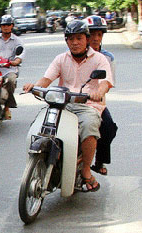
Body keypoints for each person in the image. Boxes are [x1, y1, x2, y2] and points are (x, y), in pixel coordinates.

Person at [22, 20, 114, 192]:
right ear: (66, 41)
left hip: (88, 105)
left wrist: (99, 92)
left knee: (89, 127)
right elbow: (47, 79)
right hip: (63, 103)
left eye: (79, 38)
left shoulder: (100, 59)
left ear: (87, 39)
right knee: (41, 125)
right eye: (71, 39)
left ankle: (86, 170)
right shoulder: (61, 59)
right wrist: (34, 86)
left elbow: (105, 82)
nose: (75, 42)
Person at [84, 15, 117, 176]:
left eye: (99, 35)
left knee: (109, 127)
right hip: (72, 99)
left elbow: (108, 83)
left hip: (95, 101)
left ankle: (99, 160)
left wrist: (99, 95)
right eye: (92, 34)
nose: (96, 39)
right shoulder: (73, 53)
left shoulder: (107, 58)